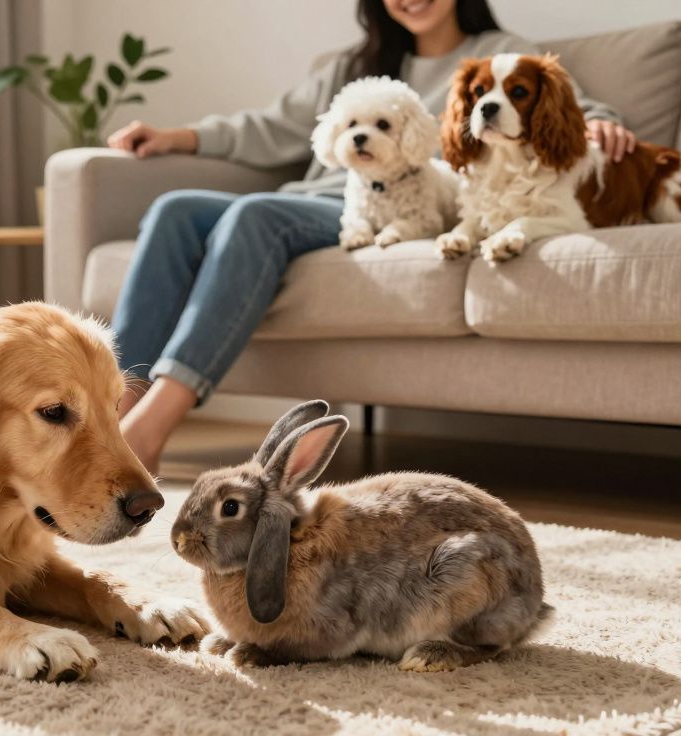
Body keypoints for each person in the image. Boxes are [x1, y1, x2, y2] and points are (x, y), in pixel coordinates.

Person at [107, 0, 635, 473]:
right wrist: (176, 136)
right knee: (174, 209)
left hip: (372, 209)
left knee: (254, 215)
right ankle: (113, 423)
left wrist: (602, 122)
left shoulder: (496, 54)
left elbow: (567, 105)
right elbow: (267, 126)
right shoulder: (352, 65)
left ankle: (151, 429)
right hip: (306, 197)